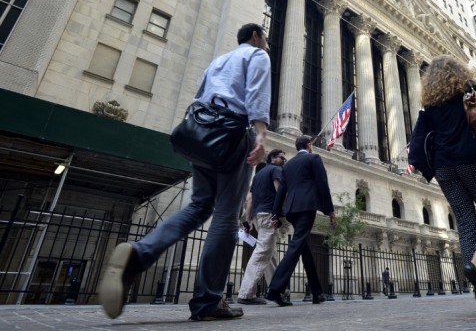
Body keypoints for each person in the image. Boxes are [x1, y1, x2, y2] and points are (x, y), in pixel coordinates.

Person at [99, 23, 271, 321]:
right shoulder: (257, 56)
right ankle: (208, 301)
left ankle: (139, 254)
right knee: (226, 216)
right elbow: (256, 93)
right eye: (265, 39)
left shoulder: (218, 61)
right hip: (231, 135)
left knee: (199, 205)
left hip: (201, 134)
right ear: (256, 37)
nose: (267, 44)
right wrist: (261, 135)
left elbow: (199, 95)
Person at [412, 55, 476, 313]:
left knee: (466, 224)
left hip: (444, 168)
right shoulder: (469, 90)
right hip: (472, 160)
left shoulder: (430, 105)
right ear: (458, 72)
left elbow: (421, 137)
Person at [265, 136, 336, 306]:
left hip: (291, 210)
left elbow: (281, 190)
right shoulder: (314, 158)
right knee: (297, 244)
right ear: (309, 145)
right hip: (306, 207)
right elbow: (322, 184)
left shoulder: (288, 165)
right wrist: (330, 210)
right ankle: (275, 289)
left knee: (305, 248)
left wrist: (276, 213)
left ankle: (317, 293)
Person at [236, 149, 286, 305]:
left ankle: (276, 291)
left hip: (258, 217)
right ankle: (246, 293)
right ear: (272, 158)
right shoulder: (276, 170)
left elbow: (250, 200)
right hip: (268, 214)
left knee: (271, 255)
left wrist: (248, 221)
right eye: (281, 157)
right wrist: (278, 214)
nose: (284, 160)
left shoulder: (258, 175)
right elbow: (280, 192)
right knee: (263, 252)